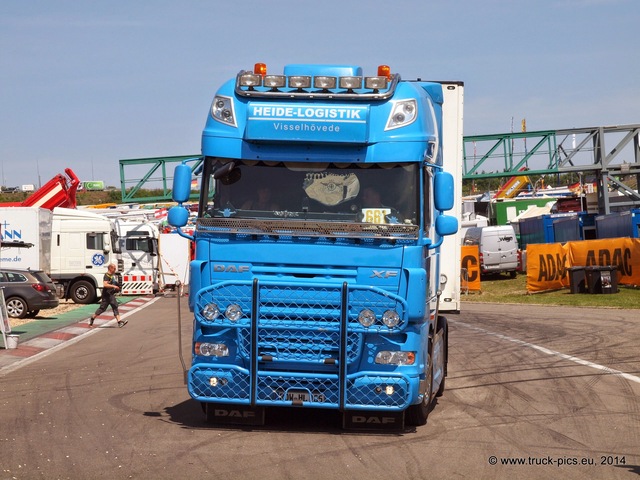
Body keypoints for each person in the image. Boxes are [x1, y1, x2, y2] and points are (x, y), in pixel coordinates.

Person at [89, 263, 127, 328]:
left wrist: (118, 286)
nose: (115, 270)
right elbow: (105, 285)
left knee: (115, 306)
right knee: (102, 309)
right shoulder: (106, 275)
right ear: (110, 268)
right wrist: (114, 286)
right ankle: (92, 318)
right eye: (114, 268)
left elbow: (114, 283)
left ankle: (119, 322)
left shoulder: (111, 276)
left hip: (111, 294)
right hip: (106, 295)